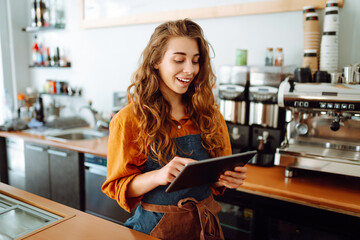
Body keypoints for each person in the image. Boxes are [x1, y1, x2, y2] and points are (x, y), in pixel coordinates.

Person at [102, 19, 247, 240]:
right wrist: (159, 176)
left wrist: (225, 178)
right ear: (156, 61)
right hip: (155, 230)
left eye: (196, 61)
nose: (190, 70)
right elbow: (120, 187)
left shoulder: (210, 114)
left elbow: (213, 178)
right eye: (179, 59)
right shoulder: (129, 119)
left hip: (205, 229)